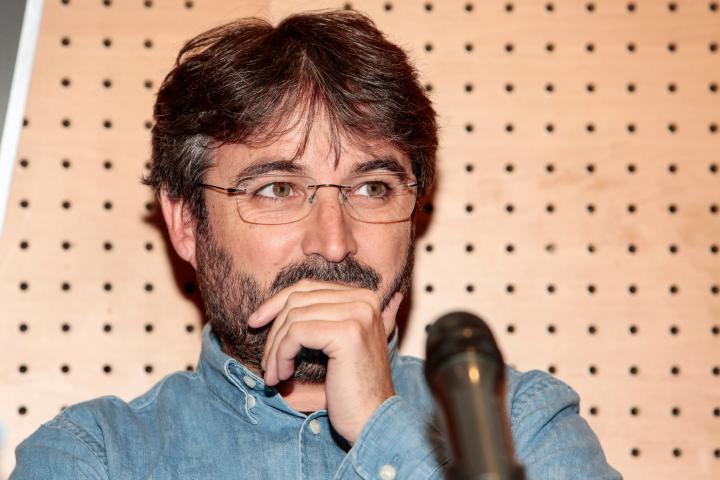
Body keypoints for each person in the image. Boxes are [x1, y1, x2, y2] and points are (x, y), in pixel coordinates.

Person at [11, 9, 622, 479]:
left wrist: (384, 429)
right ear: (186, 223)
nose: (333, 243)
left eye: (372, 187)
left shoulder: (520, 426)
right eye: (278, 188)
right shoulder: (94, 457)